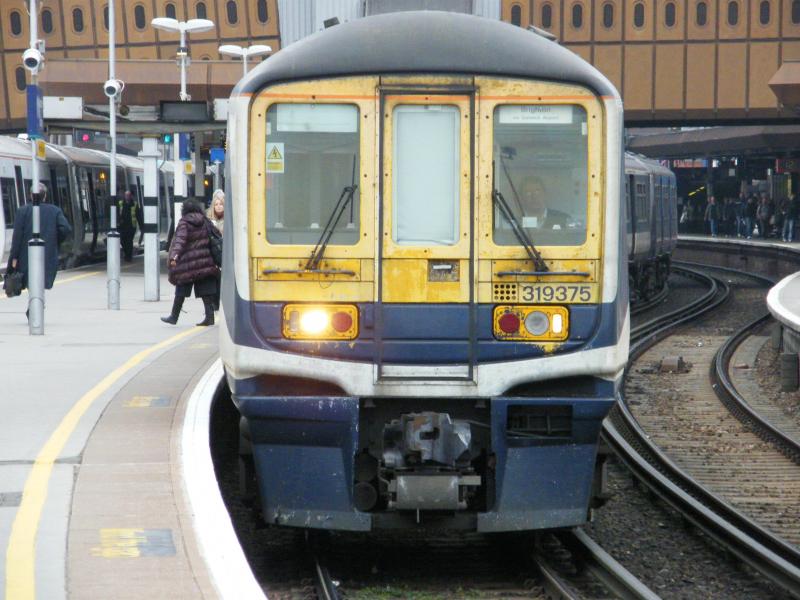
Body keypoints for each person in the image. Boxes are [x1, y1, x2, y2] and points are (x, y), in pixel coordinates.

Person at [7, 184, 72, 318]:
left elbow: (17, 237)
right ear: (45, 196)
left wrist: (14, 257)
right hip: (47, 254)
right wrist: (54, 241)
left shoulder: (22, 211)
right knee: (40, 281)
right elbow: (65, 229)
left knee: (31, 281)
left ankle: (35, 306)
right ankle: (36, 305)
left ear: (31, 195)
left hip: (25, 255)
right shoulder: (55, 211)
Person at [161, 200, 219, 326]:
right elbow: (216, 236)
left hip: (188, 263)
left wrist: (174, 257)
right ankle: (209, 317)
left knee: (181, 290)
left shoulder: (184, 223)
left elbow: (179, 241)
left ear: (184, 210)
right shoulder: (205, 221)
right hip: (204, 261)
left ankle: (174, 317)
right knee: (206, 291)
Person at [207, 189, 224, 310]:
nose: (218, 206)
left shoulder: (229, 220)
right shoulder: (208, 220)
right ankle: (214, 305)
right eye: (216, 204)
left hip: (223, 254)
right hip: (212, 255)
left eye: (221, 204)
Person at [118, 190, 138, 262]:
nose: (127, 197)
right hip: (122, 226)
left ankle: (128, 256)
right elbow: (117, 213)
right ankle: (127, 254)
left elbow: (138, 215)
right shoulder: (120, 203)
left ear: (131, 196)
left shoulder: (134, 204)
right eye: (126, 195)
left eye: (129, 195)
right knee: (122, 241)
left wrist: (142, 226)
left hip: (131, 226)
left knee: (129, 241)